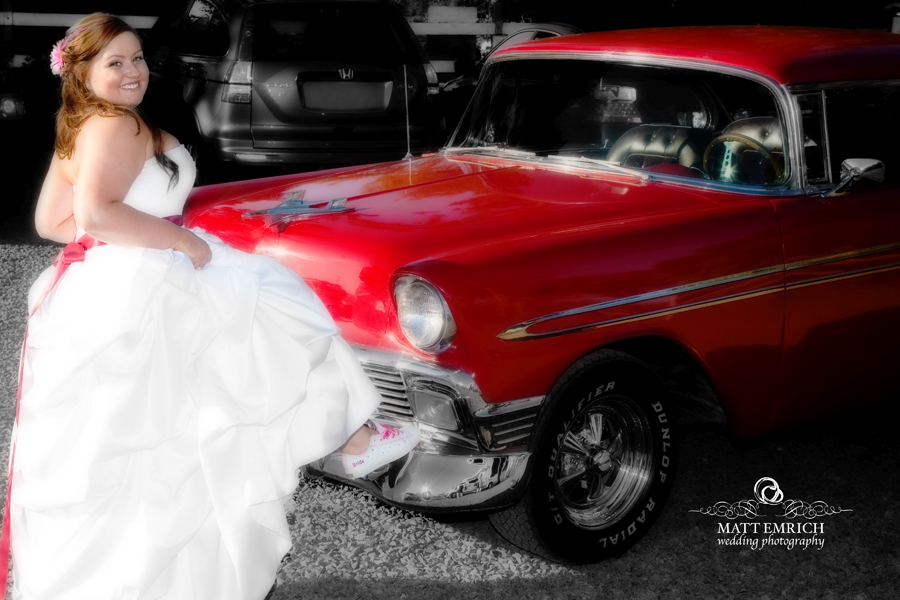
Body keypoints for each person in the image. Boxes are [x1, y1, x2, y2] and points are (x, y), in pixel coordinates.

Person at [4, 13, 419, 600]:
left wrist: (122, 243)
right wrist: (180, 242)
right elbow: (94, 215)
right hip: (148, 283)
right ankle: (353, 438)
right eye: (115, 62)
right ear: (82, 72)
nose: (133, 71)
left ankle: (351, 438)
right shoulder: (115, 125)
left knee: (164, 431)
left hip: (113, 285)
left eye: (137, 58)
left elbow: (53, 222)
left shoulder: (80, 126)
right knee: (268, 322)